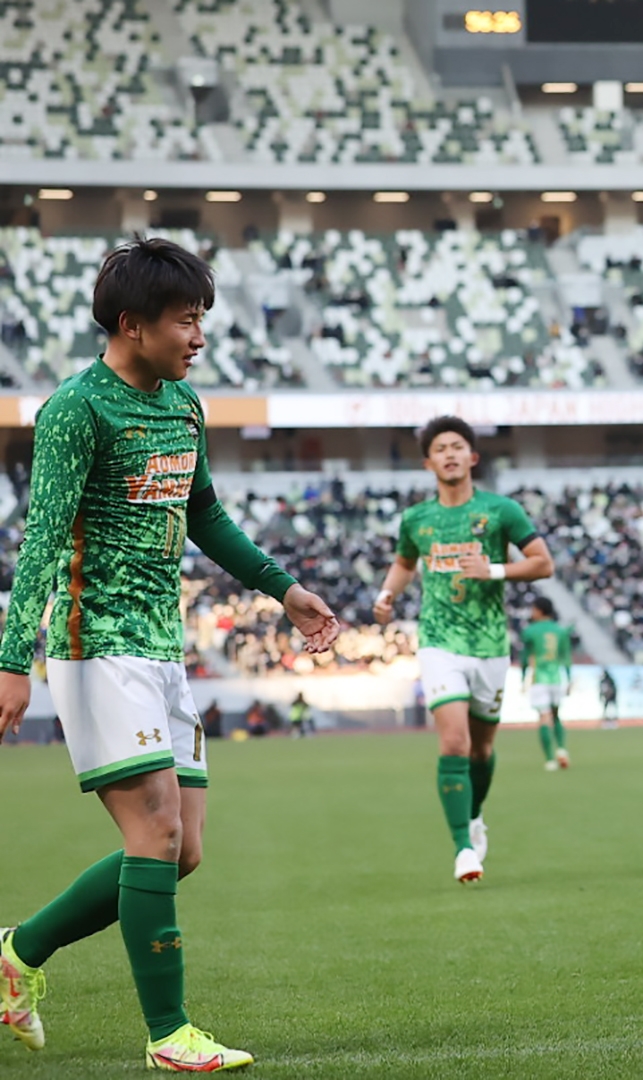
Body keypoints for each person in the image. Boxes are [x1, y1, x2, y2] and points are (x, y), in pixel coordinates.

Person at [0, 236, 341, 1071]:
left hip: (161, 646)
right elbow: (41, 542)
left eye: (201, 321)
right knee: (152, 832)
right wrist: (12, 659)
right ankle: (170, 1036)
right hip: (96, 643)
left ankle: (14, 955)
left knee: (183, 849)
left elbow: (207, 516)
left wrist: (284, 588)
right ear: (131, 324)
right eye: (187, 321)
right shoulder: (76, 410)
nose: (199, 337)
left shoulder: (184, 408)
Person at [373, 416, 553, 882]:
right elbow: (404, 564)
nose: (450, 454)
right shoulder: (416, 519)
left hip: (490, 645)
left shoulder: (501, 510)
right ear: (427, 462)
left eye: (458, 446)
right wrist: (386, 594)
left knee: (482, 750)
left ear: (472, 457)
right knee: (455, 740)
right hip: (439, 642)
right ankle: (462, 849)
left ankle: (473, 816)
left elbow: (542, 563)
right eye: (441, 448)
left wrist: (492, 570)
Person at [521, 597, 572, 771]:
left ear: (540, 611)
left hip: (539, 679)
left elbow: (525, 657)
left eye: (533, 609)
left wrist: (523, 678)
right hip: (556, 678)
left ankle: (550, 759)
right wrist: (569, 678)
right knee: (556, 715)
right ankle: (562, 750)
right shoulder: (560, 631)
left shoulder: (530, 631)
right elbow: (565, 657)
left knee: (543, 718)